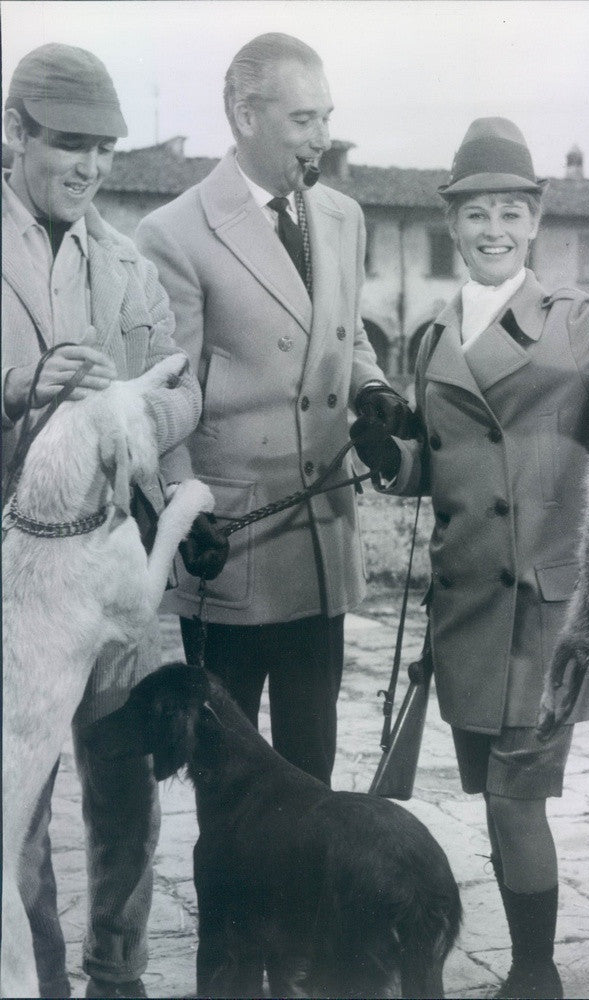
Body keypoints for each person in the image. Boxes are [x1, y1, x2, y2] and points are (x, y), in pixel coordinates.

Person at [352, 118, 589, 998]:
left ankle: (535, 972)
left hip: (537, 613)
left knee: (517, 800)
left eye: (510, 213)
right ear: (453, 222)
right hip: (466, 608)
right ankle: (530, 961)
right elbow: (438, 468)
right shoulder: (437, 338)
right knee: (494, 797)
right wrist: (385, 456)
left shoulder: (575, 323)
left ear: (534, 222)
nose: (493, 230)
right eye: (477, 214)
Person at [136, 33, 408, 788]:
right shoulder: (175, 234)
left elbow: (347, 344)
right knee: (232, 779)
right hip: (232, 554)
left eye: (327, 117)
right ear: (242, 114)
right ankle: (243, 912)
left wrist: (375, 392)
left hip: (321, 543)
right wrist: (184, 514)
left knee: (311, 769)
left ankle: (309, 911)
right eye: (302, 120)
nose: (321, 139)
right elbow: (168, 403)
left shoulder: (344, 217)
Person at [2, 44, 201, 998]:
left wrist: (124, 412)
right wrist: (15, 393)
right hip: (16, 589)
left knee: (125, 793)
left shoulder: (125, 265)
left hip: (116, 570)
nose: (88, 167)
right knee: (18, 815)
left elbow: (186, 394)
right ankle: (34, 981)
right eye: (69, 145)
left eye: (104, 151)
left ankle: (116, 975)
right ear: (13, 132)